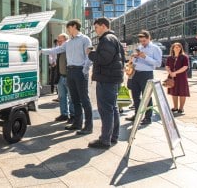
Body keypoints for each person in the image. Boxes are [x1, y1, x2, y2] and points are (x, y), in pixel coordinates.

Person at [42, 19, 93, 134]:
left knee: (84, 99)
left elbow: (89, 56)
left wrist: (84, 70)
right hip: (70, 71)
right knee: (75, 100)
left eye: (68, 28)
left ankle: (88, 126)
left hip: (80, 71)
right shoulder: (68, 42)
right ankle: (77, 124)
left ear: (74, 26)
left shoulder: (85, 39)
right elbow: (56, 50)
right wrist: (41, 51)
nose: (68, 31)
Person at [87, 17, 124, 149]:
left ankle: (105, 140)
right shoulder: (114, 39)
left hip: (106, 79)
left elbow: (104, 59)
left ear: (103, 26)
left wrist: (91, 54)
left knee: (106, 109)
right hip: (111, 78)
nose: (95, 30)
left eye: (96, 27)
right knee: (112, 108)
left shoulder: (107, 39)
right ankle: (113, 136)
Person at [125, 30, 162, 125]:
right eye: (141, 41)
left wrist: (145, 57)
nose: (142, 43)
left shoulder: (155, 48)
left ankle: (148, 118)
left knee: (147, 96)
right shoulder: (140, 47)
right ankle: (137, 115)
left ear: (149, 38)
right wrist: (135, 58)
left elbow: (158, 63)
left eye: (144, 41)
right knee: (135, 95)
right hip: (136, 73)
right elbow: (137, 60)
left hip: (147, 74)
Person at [54, 33, 75, 123]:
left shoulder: (70, 49)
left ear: (66, 41)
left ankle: (73, 116)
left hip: (69, 77)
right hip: (61, 77)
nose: (58, 42)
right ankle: (64, 114)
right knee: (62, 97)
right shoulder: (59, 50)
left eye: (60, 41)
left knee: (71, 98)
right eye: (58, 41)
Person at [165, 42, 190, 114]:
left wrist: (175, 73)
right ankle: (175, 107)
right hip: (172, 77)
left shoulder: (184, 57)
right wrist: (170, 73)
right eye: (176, 47)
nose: (177, 48)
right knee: (174, 92)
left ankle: (181, 108)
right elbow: (167, 66)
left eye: (179, 46)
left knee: (182, 92)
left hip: (181, 77)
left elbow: (185, 67)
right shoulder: (169, 57)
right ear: (172, 48)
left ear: (181, 48)